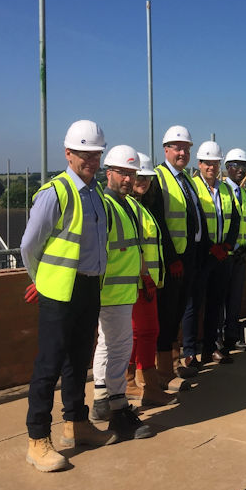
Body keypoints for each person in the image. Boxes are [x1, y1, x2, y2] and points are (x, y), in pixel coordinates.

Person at [20, 119, 117, 472]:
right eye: (84, 154)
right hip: (59, 291)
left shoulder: (96, 195)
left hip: (89, 286)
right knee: (49, 365)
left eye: (96, 154)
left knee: (79, 360)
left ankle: (76, 423)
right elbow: (29, 245)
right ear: (68, 153)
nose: (91, 160)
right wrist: (42, 279)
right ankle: (37, 440)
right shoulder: (55, 193)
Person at [90, 145, 153, 440]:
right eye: (123, 173)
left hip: (121, 288)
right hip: (112, 291)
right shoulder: (107, 205)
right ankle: (118, 411)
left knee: (107, 345)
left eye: (132, 173)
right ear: (109, 172)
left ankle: (101, 399)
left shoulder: (123, 204)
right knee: (119, 349)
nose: (128, 179)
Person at [144, 126, 208, 383]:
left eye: (186, 148)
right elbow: (159, 222)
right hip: (174, 261)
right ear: (166, 149)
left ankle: (172, 363)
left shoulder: (186, 179)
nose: (182, 152)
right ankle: (163, 371)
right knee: (167, 314)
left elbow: (195, 217)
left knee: (179, 312)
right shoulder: (158, 178)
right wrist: (171, 259)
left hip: (189, 256)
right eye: (177, 147)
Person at [127, 152, 177, 406]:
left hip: (146, 283)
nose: (143, 181)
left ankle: (139, 382)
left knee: (143, 334)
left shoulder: (142, 207)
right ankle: (141, 384)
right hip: (135, 284)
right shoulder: (128, 207)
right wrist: (144, 275)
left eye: (147, 177)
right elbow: (133, 247)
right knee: (142, 333)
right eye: (139, 176)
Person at [185, 140, 231, 363]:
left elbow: (234, 219)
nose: (211, 167)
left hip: (221, 256)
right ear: (199, 164)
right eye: (207, 163)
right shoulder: (193, 187)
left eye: (215, 163)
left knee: (215, 304)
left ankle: (210, 347)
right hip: (202, 256)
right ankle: (190, 351)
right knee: (194, 305)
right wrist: (209, 247)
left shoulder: (224, 189)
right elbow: (192, 221)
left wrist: (227, 245)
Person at [215, 147, 246, 360]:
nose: (240, 170)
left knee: (235, 299)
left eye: (244, 166)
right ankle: (219, 339)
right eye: (236, 166)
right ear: (227, 168)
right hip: (224, 255)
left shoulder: (245, 194)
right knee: (220, 299)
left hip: (240, 255)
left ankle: (232, 335)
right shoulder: (222, 191)